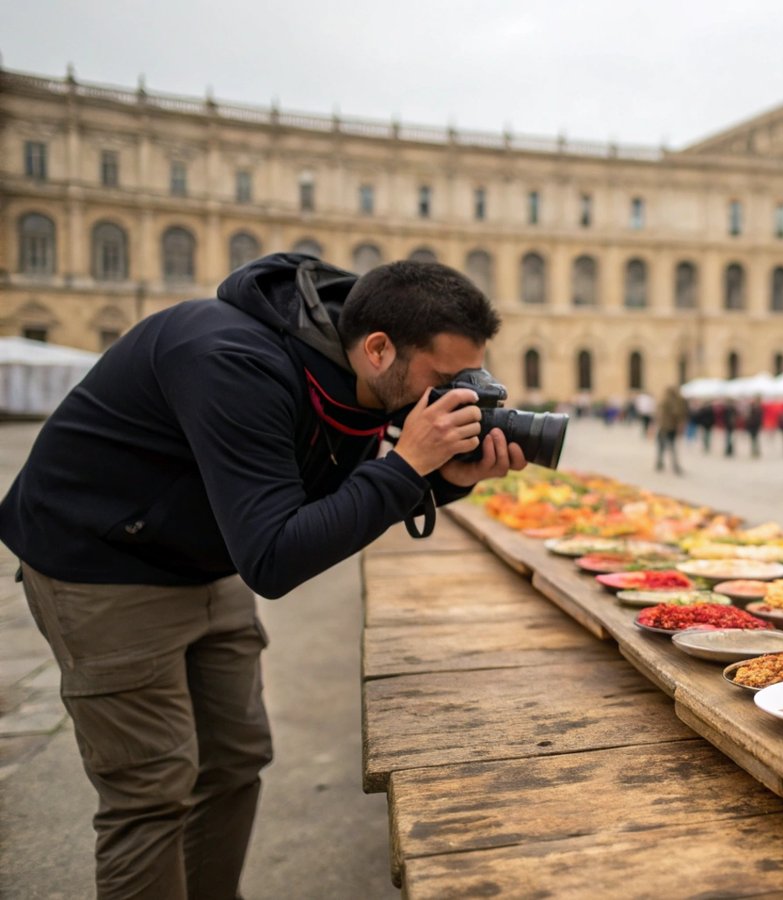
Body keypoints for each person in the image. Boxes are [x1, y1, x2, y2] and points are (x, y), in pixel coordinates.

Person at [0, 255, 523, 898]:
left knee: (233, 763)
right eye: (445, 378)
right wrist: (408, 465)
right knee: (150, 792)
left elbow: (325, 506)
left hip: (209, 554)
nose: (458, 396)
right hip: (101, 566)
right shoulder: (230, 358)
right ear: (380, 348)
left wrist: (442, 481)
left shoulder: (358, 371)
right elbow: (276, 559)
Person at [655, 384, 688, 475]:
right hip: (669, 427)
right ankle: (669, 464)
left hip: (666, 427)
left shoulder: (668, 401)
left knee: (664, 446)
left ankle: (664, 463)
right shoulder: (677, 401)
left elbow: (674, 413)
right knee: (669, 446)